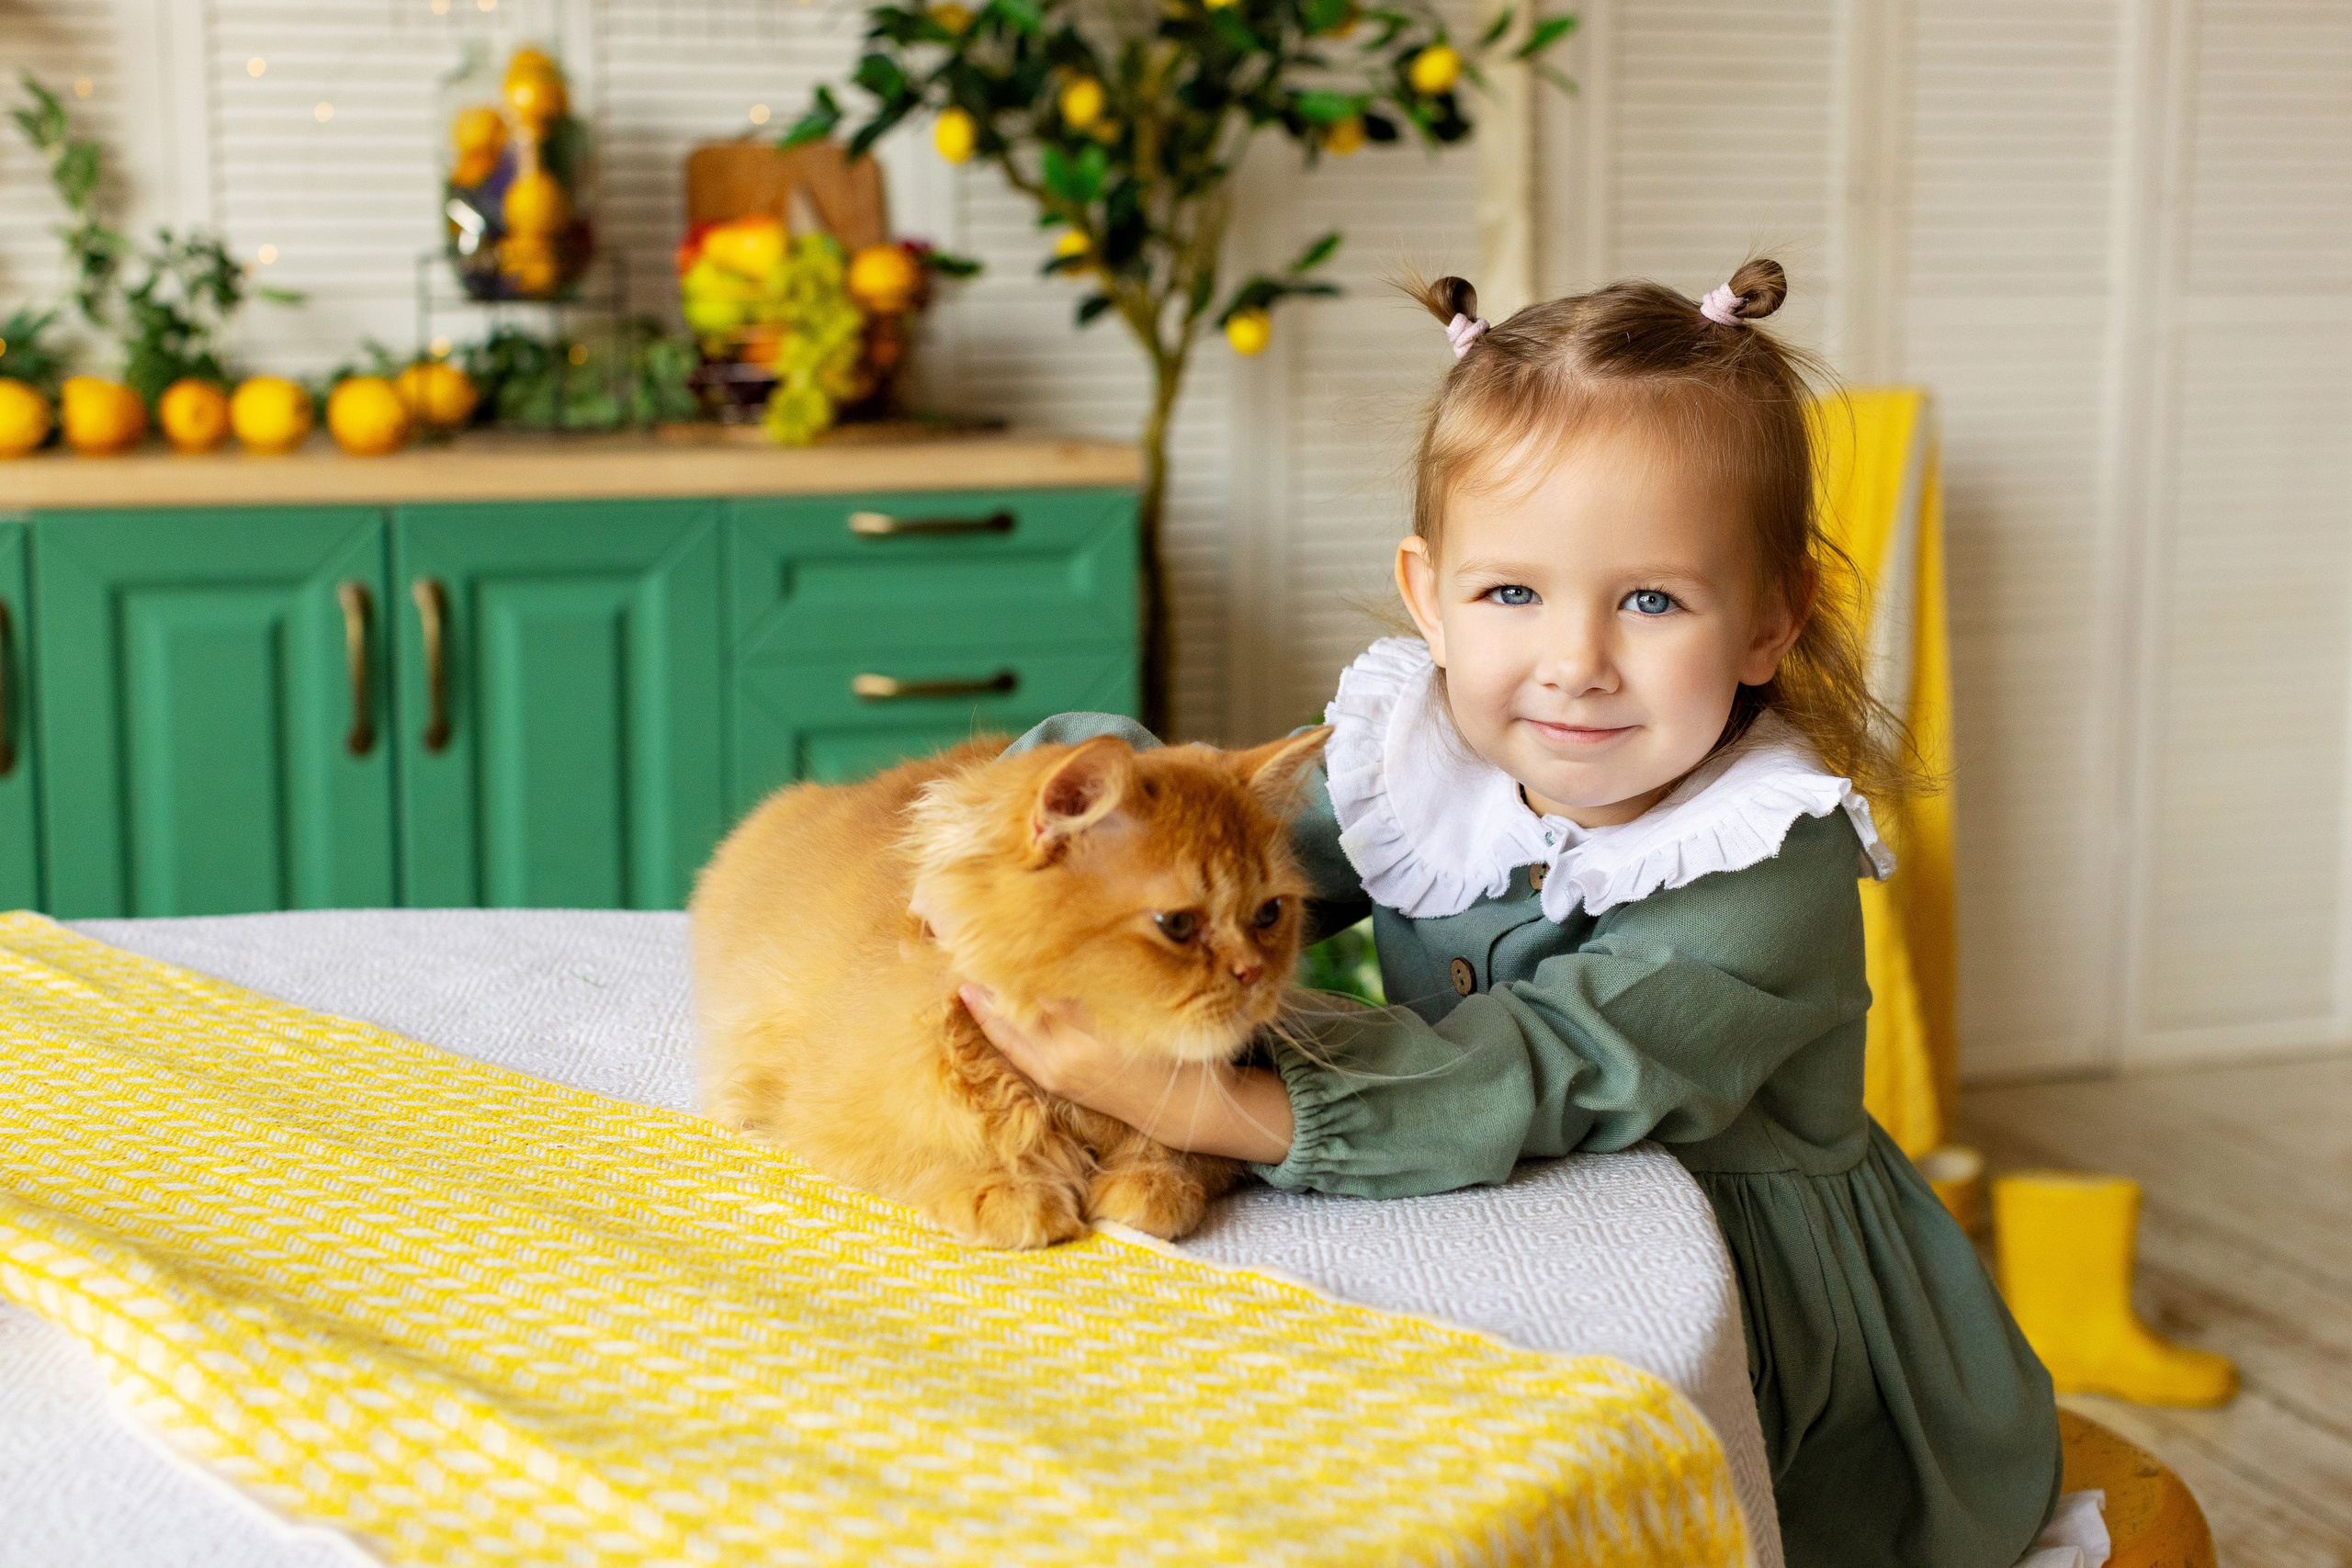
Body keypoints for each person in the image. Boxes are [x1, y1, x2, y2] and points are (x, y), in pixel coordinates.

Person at [946, 261, 2063, 1568]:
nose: (1574, 661)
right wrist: (1027, 848)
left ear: (1770, 618)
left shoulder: (1768, 860)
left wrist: (1199, 1108)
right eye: (1512, 594)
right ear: (1430, 597)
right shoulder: (1416, 761)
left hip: (1762, 1326)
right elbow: (1202, 834)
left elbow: (1542, 1066)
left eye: (1651, 600)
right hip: (1496, 1221)